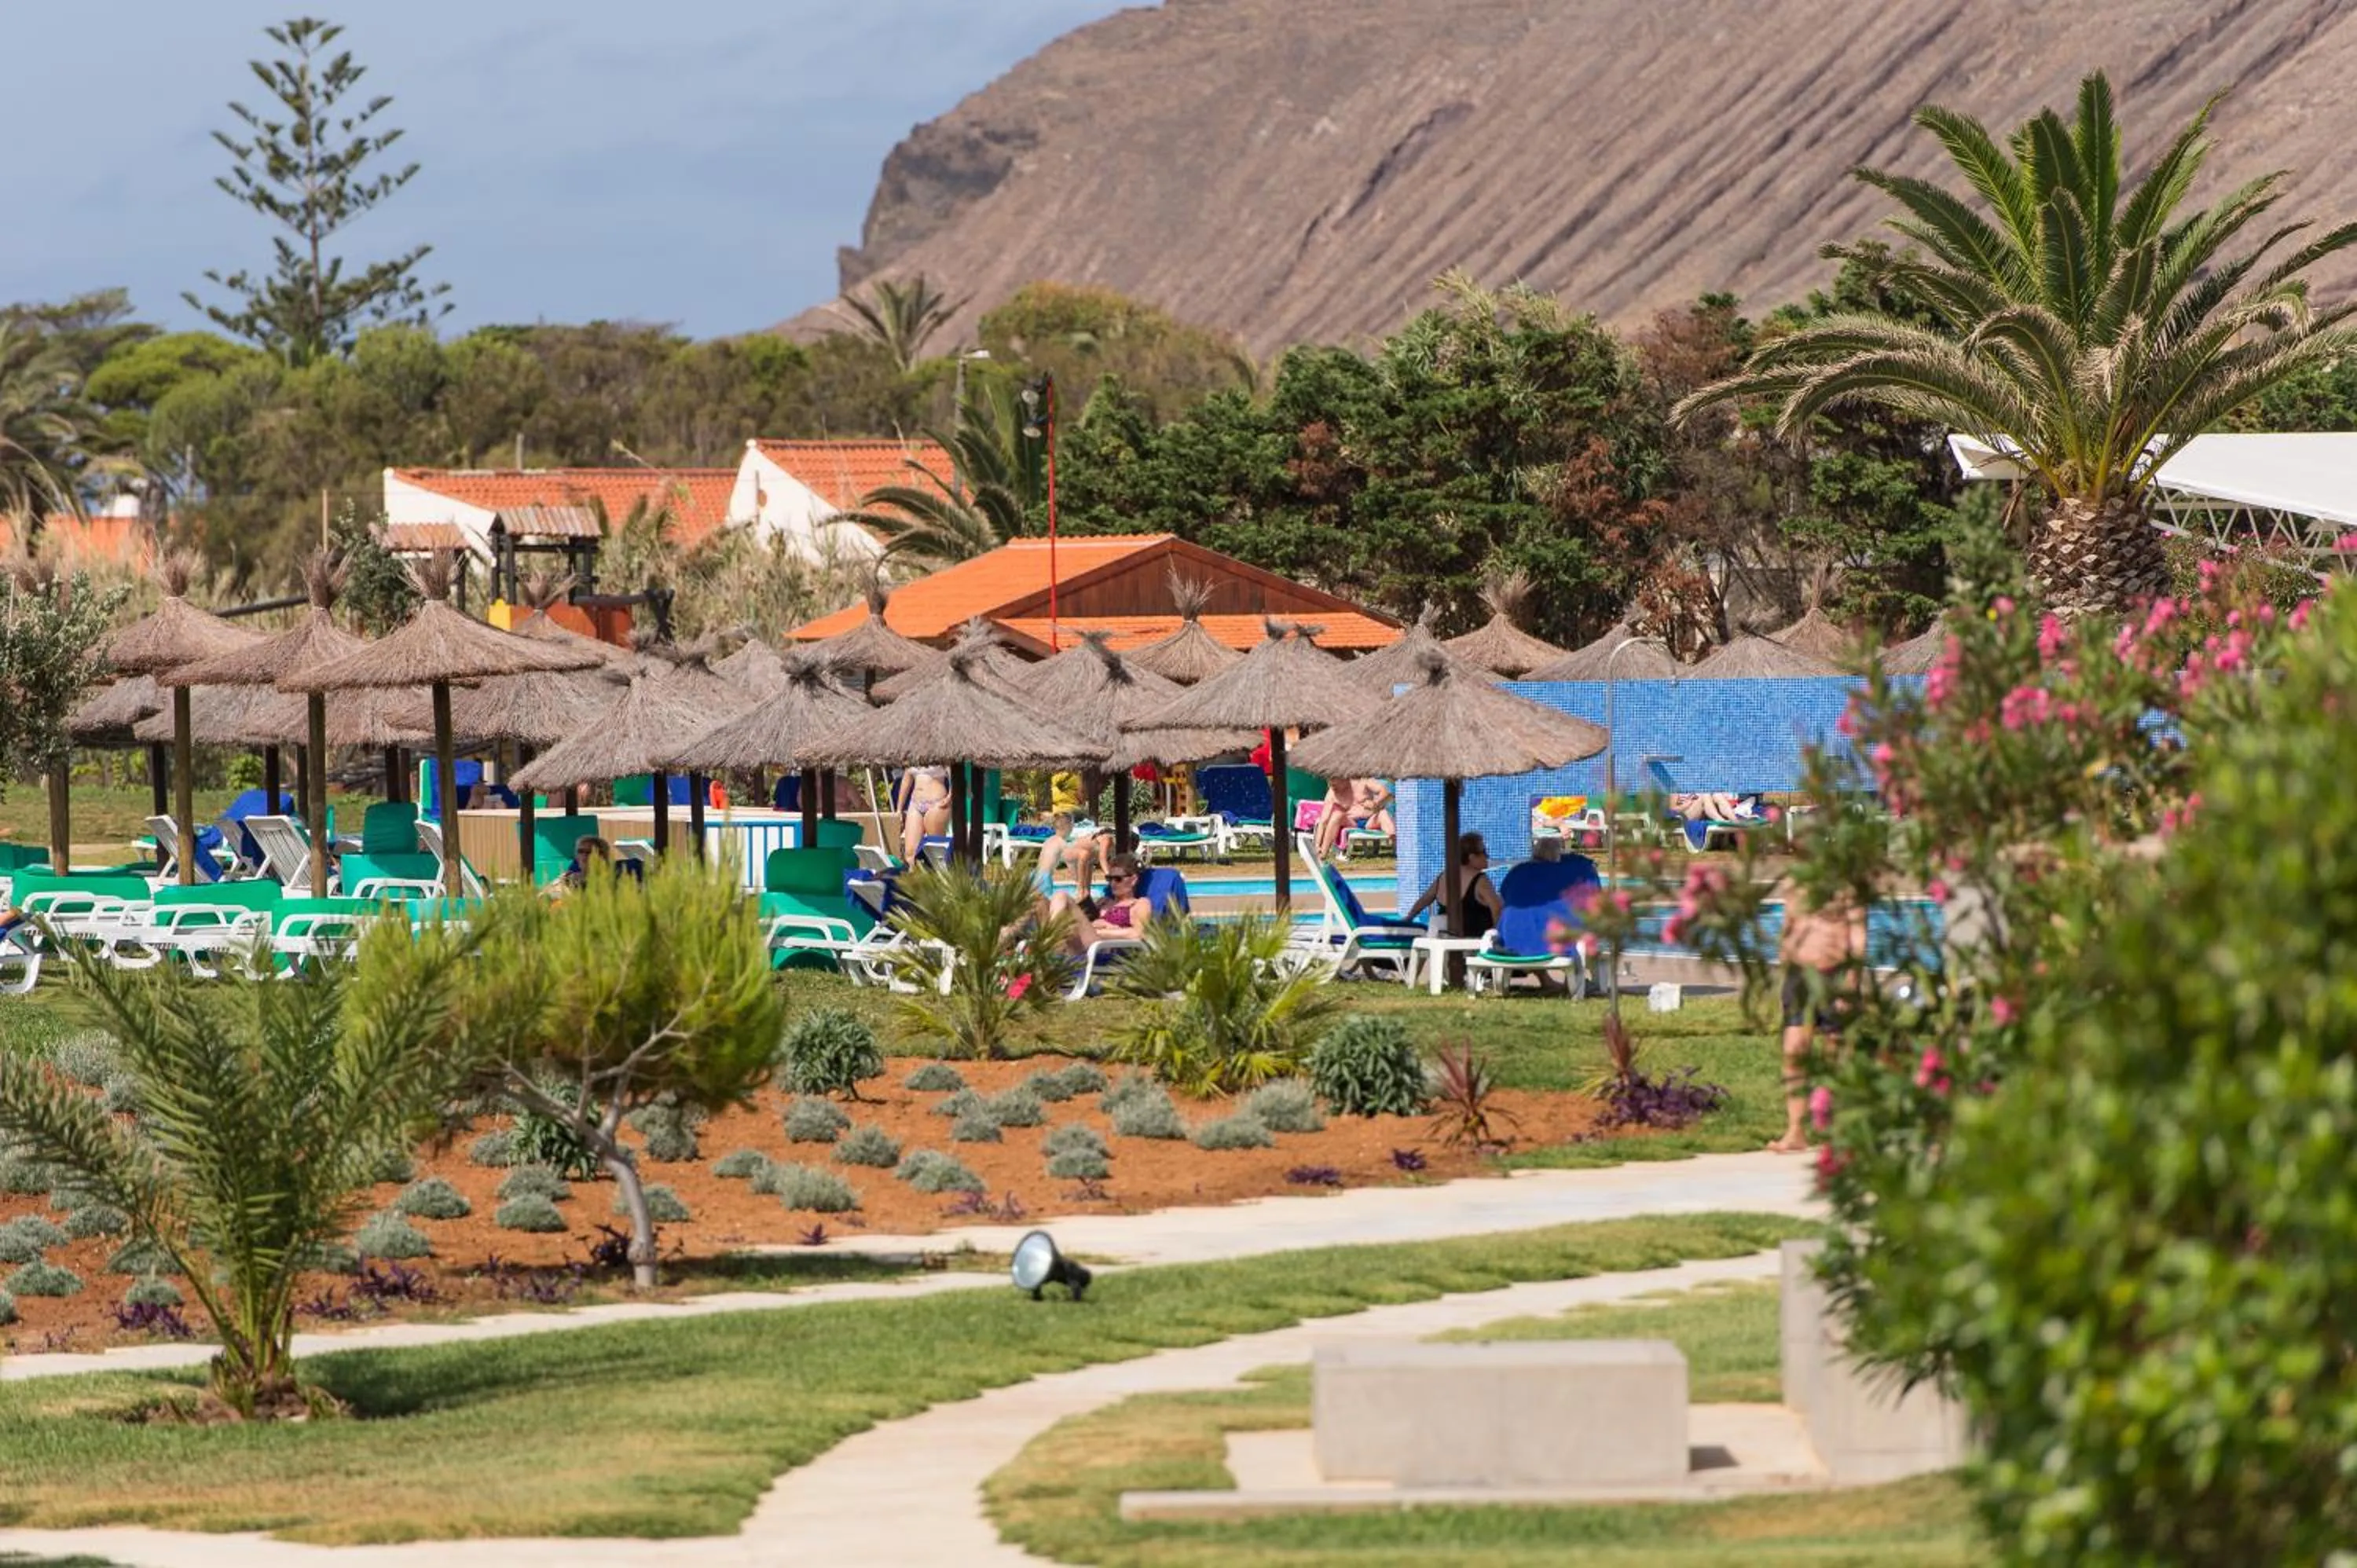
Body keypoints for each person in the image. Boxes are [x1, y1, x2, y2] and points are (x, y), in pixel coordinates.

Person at [1769, 881, 1869, 1153]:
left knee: (1834, 1056)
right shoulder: (1793, 882)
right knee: (1793, 1052)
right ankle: (1796, 1131)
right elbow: (1789, 925)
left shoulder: (1846, 883)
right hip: (1799, 976)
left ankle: (1836, 1130)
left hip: (1835, 974)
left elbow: (1858, 934)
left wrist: (1851, 980)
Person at [1405, 831, 1503, 939]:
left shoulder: (1444, 876)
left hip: (1447, 940)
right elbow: (1497, 909)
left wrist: (1408, 918)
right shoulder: (1480, 880)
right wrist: (1497, 935)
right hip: (1473, 942)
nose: (1487, 856)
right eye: (1484, 852)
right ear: (1472, 857)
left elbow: (1425, 899)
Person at [1050, 853, 1153, 953]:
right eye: (1109, 879)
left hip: (1103, 947)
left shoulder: (1140, 904)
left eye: (1118, 879)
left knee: (1061, 896)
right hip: (1086, 941)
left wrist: (1102, 931)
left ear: (1133, 880)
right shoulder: (1104, 901)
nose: (1112, 883)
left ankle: (1049, 941)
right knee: (1039, 900)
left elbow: (1139, 933)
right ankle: (1048, 944)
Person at [894, 764, 951, 866]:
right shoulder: (913, 755)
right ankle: (914, 879)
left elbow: (956, 777)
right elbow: (906, 780)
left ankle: (938, 878)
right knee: (910, 853)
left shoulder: (942, 752)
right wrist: (899, 809)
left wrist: (949, 798)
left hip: (937, 803)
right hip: (916, 803)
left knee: (935, 849)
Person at [552, 835, 643, 896]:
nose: (584, 855)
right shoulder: (567, 878)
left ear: (603, 856)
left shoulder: (617, 877)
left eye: (589, 852)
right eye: (581, 851)